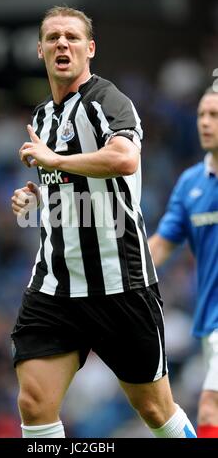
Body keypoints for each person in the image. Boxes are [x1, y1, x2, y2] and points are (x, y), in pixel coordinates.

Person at [10, 6, 196, 439]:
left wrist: (55, 160)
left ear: (89, 49)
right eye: (53, 37)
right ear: (40, 50)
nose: (62, 44)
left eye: (72, 37)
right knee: (34, 403)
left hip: (119, 283)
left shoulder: (107, 101)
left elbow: (124, 157)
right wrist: (34, 197)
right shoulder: (41, 118)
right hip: (56, 285)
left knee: (155, 410)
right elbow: (64, 184)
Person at [149, 87, 218, 438]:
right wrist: (119, 277)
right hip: (209, 318)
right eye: (202, 115)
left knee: (210, 406)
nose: (205, 123)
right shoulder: (190, 183)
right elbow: (161, 245)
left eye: (214, 116)